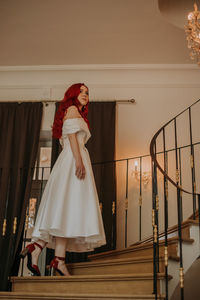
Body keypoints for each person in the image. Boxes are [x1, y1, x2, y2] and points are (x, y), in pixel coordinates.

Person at [20, 83, 106, 276]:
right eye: (81, 92)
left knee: (66, 209)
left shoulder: (73, 113)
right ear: (73, 95)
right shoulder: (73, 109)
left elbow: (68, 140)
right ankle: (50, 256)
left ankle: (48, 253)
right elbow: (73, 138)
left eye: (87, 92)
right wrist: (78, 162)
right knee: (69, 207)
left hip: (69, 159)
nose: (85, 95)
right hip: (74, 158)